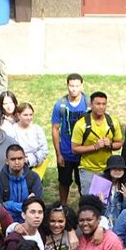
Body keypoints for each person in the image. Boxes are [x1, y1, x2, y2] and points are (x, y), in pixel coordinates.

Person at [50, 73, 89, 203]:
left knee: (82, 183)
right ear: (67, 86)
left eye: (77, 86)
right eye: (71, 86)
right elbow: (55, 129)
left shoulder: (88, 104)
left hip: (83, 153)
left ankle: (84, 207)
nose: (74, 89)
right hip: (66, 152)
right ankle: (63, 206)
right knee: (64, 182)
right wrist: (58, 154)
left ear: (81, 86)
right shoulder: (60, 105)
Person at [71, 91, 122, 186]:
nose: (101, 107)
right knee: (89, 200)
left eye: (104, 104)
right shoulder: (81, 124)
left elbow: (119, 143)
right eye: (98, 104)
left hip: (107, 169)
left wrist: (110, 145)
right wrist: (95, 147)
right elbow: (74, 149)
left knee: (105, 199)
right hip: (87, 169)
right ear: (91, 105)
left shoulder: (113, 122)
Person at [0, 144, 43, 218]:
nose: (17, 162)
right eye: (13, 159)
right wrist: (27, 204)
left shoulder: (34, 177)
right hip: (6, 222)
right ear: (6, 161)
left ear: (25, 159)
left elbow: (37, 206)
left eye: (20, 158)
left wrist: (8, 205)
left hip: (29, 222)